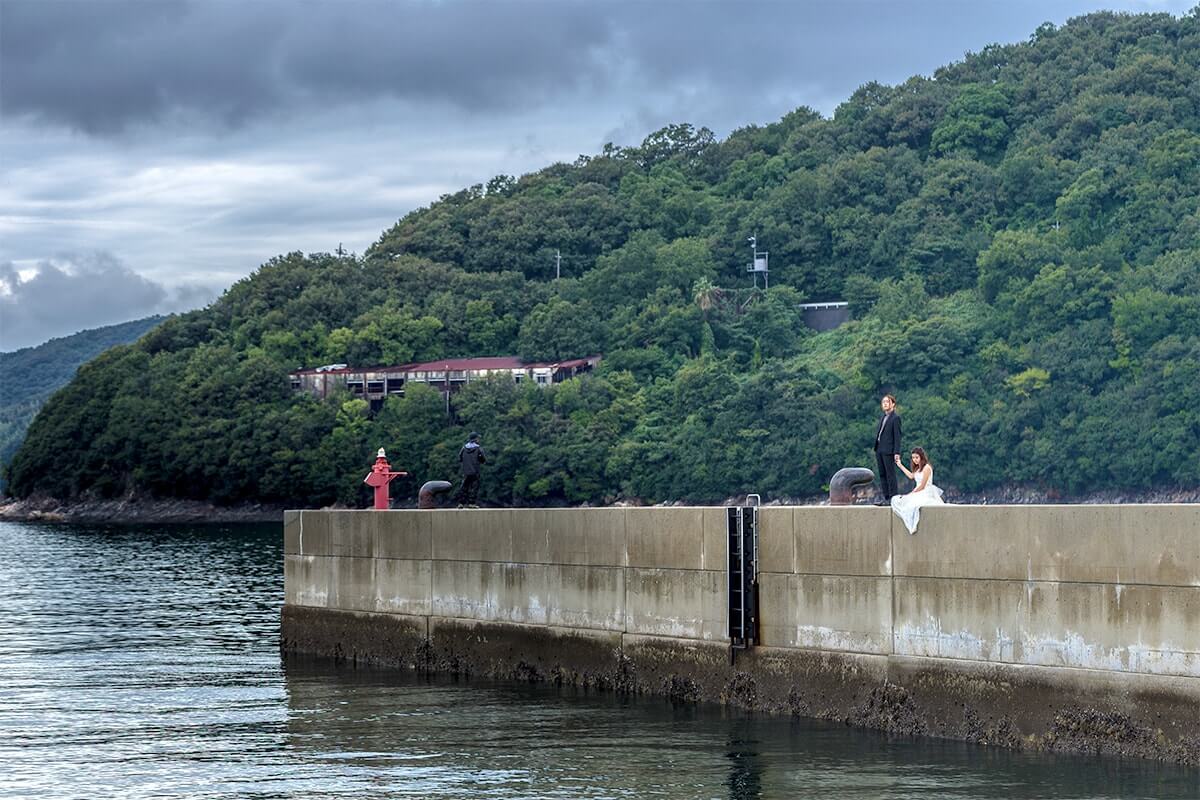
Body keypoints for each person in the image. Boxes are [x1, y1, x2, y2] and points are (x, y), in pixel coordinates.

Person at [891, 447, 945, 534]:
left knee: (912, 504)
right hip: (918, 491)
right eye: (913, 458)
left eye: (917, 457)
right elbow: (911, 476)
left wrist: (911, 494)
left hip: (925, 491)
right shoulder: (917, 468)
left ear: (921, 457)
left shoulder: (927, 468)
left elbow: (922, 486)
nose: (915, 460)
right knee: (896, 500)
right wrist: (900, 465)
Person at [873, 394, 902, 506]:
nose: (884, 404)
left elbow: (897, 437)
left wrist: (896, 452)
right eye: (883, 402)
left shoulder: (895, 418)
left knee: (890, 474)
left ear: (893, 404)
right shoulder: (883, 417)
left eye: (887, 402)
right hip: (879, 448)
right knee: (882, 474)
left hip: (889, 450)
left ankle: (893, 498)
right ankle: (886, 497)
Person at [455, 432, 486, 508]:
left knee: (464, 487)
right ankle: (471, 503)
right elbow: (483, 459)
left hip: (466, 471)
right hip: (475, 471)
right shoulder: (478, 448)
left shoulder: (464, 448)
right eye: (478, 438)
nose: (479, 439)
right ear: (475, 439)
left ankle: (461, 503)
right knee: (474, 487)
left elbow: (460, 458)